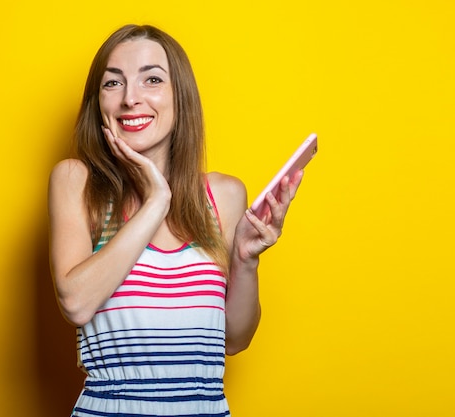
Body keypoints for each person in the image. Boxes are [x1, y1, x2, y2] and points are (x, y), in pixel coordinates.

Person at [48, 24, 303, 417]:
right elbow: (76, 303)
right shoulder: (76, 183)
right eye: (112, 83)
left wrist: (247, 261)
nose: (131, 99)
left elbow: (234, 338)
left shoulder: (224, 196)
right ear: (97, 102)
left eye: (152, 79)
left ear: (179, 97)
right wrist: (156, 201)